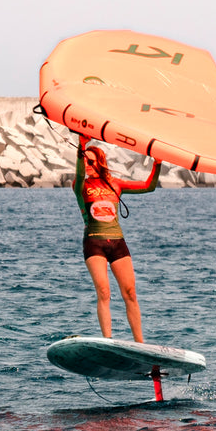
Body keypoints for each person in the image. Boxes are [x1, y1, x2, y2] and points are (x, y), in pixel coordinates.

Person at [74, 137, 161, 342]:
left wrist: (158, 163)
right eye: (86, 161)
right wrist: (81, 147)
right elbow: (78, 171)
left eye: (91, 161)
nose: (88, 165)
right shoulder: (80, 185)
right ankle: (108, 340)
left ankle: (140, 343)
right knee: (104, 291)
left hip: (118, 242)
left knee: (130, 292)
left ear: (101, 162)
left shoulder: (115, 184)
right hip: (94, 243)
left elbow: (149, 186)